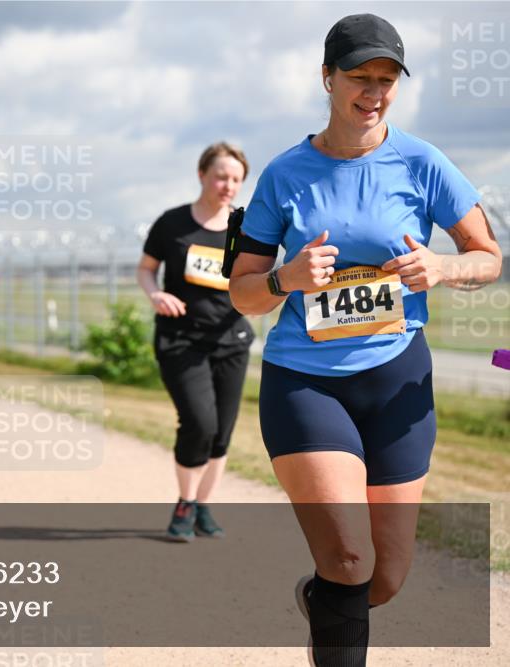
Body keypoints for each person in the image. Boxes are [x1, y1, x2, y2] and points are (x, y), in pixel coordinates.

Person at [227, 14, 503, 667]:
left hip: (396, 380)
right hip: (306, 381)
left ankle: (322, 598)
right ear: (328, 78)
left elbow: (488, 255)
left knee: (384, 574)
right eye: (360, 77)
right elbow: (242, 291)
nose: (374, 91)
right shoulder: (284, 174)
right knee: (348, 555)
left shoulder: (422, 162)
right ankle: (335, 601)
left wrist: (444, 268)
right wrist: (284, 277)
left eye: (386, 80)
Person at [137, 142, 254, 542]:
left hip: (231, 340)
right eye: (221, 176)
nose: (228, 185)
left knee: (222, 431)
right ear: (202, 174)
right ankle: (185, 504)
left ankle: (203, 505)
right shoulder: (172, 224)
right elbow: (146, 270)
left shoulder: (246, 228)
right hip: (181, 340)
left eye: (236, 179)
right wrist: (155, 294)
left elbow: (257, 277)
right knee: (199, 423)